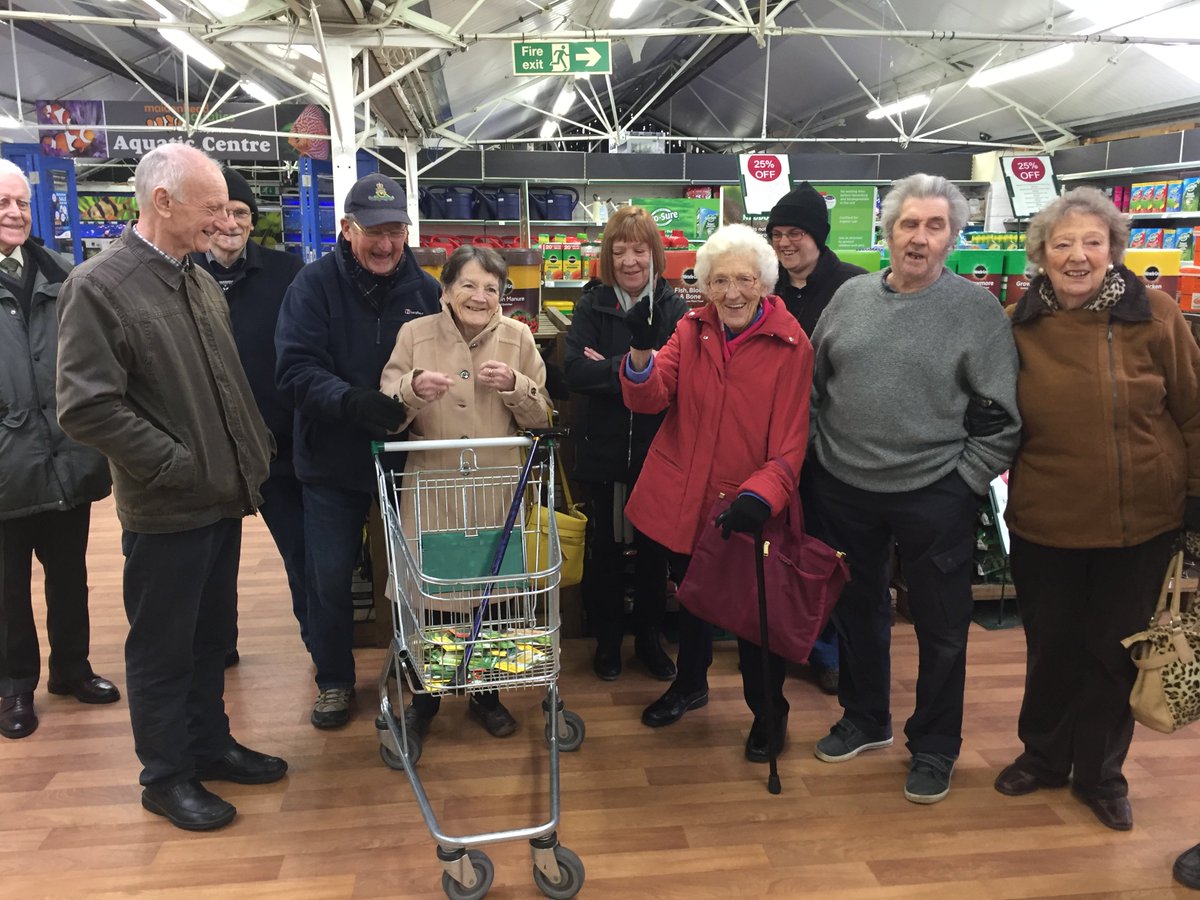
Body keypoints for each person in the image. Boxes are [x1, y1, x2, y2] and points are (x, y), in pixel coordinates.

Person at [56, 144, 286, 831]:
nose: (226, 220)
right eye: (212, 206)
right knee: (162, 648)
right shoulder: (99, 288)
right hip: (167, 505)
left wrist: (252, 449)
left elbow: (223, 384)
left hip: (221, 494)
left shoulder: (196, 279)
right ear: (163, 202)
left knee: (212, 635)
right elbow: (86, 405)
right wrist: (173, 463)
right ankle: (165, 776)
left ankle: (208, 744)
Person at [808, 173, 1020, 804]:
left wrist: (965, 480)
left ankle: (934, 746)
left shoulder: (975, 310)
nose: (919, 238)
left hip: (935, 491)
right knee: (856, 609)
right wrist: (818, 456)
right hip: (845, 484)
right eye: (908, 224)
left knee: (942, 624)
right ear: (887, 230)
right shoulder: (849, 297)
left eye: (935, 226)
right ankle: (866, 717)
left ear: (954, 236)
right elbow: (814, 384)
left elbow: (1003, 415)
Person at [993, 187, 1200, 831]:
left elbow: (1192, 411)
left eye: (1092, 242)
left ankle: (1101, 773)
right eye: (1062, 244)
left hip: (1140, 520)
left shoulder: (1158, 315)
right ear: (1041, 255)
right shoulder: (1015, 323)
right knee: (1051, 646)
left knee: (1115, 651)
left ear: (1113, 249)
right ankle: (1044, 757)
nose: (1077, 256)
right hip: (1044, 517)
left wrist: (1194, 498)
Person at [624, 223, 812, 763]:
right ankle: (690, 684)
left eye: (745, 280)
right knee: (691, 601)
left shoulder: (792, 344)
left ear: (765, 282)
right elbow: (650, 397)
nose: (732, 293)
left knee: (755, 619)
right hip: (683, 493)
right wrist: (639, 353)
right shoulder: (691, 329)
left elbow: (791, 443)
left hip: (746, 503)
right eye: (720, 280)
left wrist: (763, 494)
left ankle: (769, 714)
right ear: (705, 285)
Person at [276, 172, 440, 729]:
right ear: (347, 229)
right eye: (373, 230)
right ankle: (334, 680)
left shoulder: (425, 290)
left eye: (396, 229)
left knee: (414, 575)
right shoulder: (312, 286)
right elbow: (295, 370)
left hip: (405, 461)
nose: (387, 243)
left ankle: (415, 664)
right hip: (330, 460)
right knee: (328, 578)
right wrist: (352, 402)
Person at [379, 245, 552, 739]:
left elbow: (543, 416)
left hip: (496, 493)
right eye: (469, 286)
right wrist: (412, 389)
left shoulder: (518, 336)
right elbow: (387, 408)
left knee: (491, 598)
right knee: (430, 597)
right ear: (447, 290)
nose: (480, 296)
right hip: (431, 489)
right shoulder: (414, 334)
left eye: (491, 288)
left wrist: (517, 385)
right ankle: (425, 701)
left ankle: (485, 692)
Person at [0, 159, 116, 741]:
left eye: (21, 202)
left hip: (66, 456)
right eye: (3, 203)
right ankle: (14, 687)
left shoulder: (63, 278)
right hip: (4, 467)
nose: (15, 213)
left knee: (69, 575)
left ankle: (72, 669)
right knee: (6, 586)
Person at [564, 205, 687, 682]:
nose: (631, 261)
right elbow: (576, 371)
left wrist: (612, 366)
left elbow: (679, 379)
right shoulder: (592, 303)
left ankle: (650, 642)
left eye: (639, 250)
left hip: (660, 454)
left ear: (655, 254)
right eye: (619, 252)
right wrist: (639, 365)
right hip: (607, 455)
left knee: (655, 555)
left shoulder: (674, 307)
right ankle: (609, 643)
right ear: (607, 258)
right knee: (608, 553)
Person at [191, 167, 306, 662]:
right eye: (219, 212)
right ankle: (219, 648)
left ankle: (325, 660)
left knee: (303, 558)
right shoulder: (181, 274)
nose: (230, 222)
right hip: (210, 450)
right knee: (213, 561)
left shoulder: (287, 273)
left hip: (279, 445)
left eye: (240, 212)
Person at [766, 181, 868, 696]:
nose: (785, 244)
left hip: (831, 448)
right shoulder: (768, 289)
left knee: (828, 552)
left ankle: (828, 651)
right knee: (782, 545)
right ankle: (789, 641)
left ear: (819, 237)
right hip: (775, 446)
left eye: (796, 233)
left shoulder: (856, 287)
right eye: (777, 234)